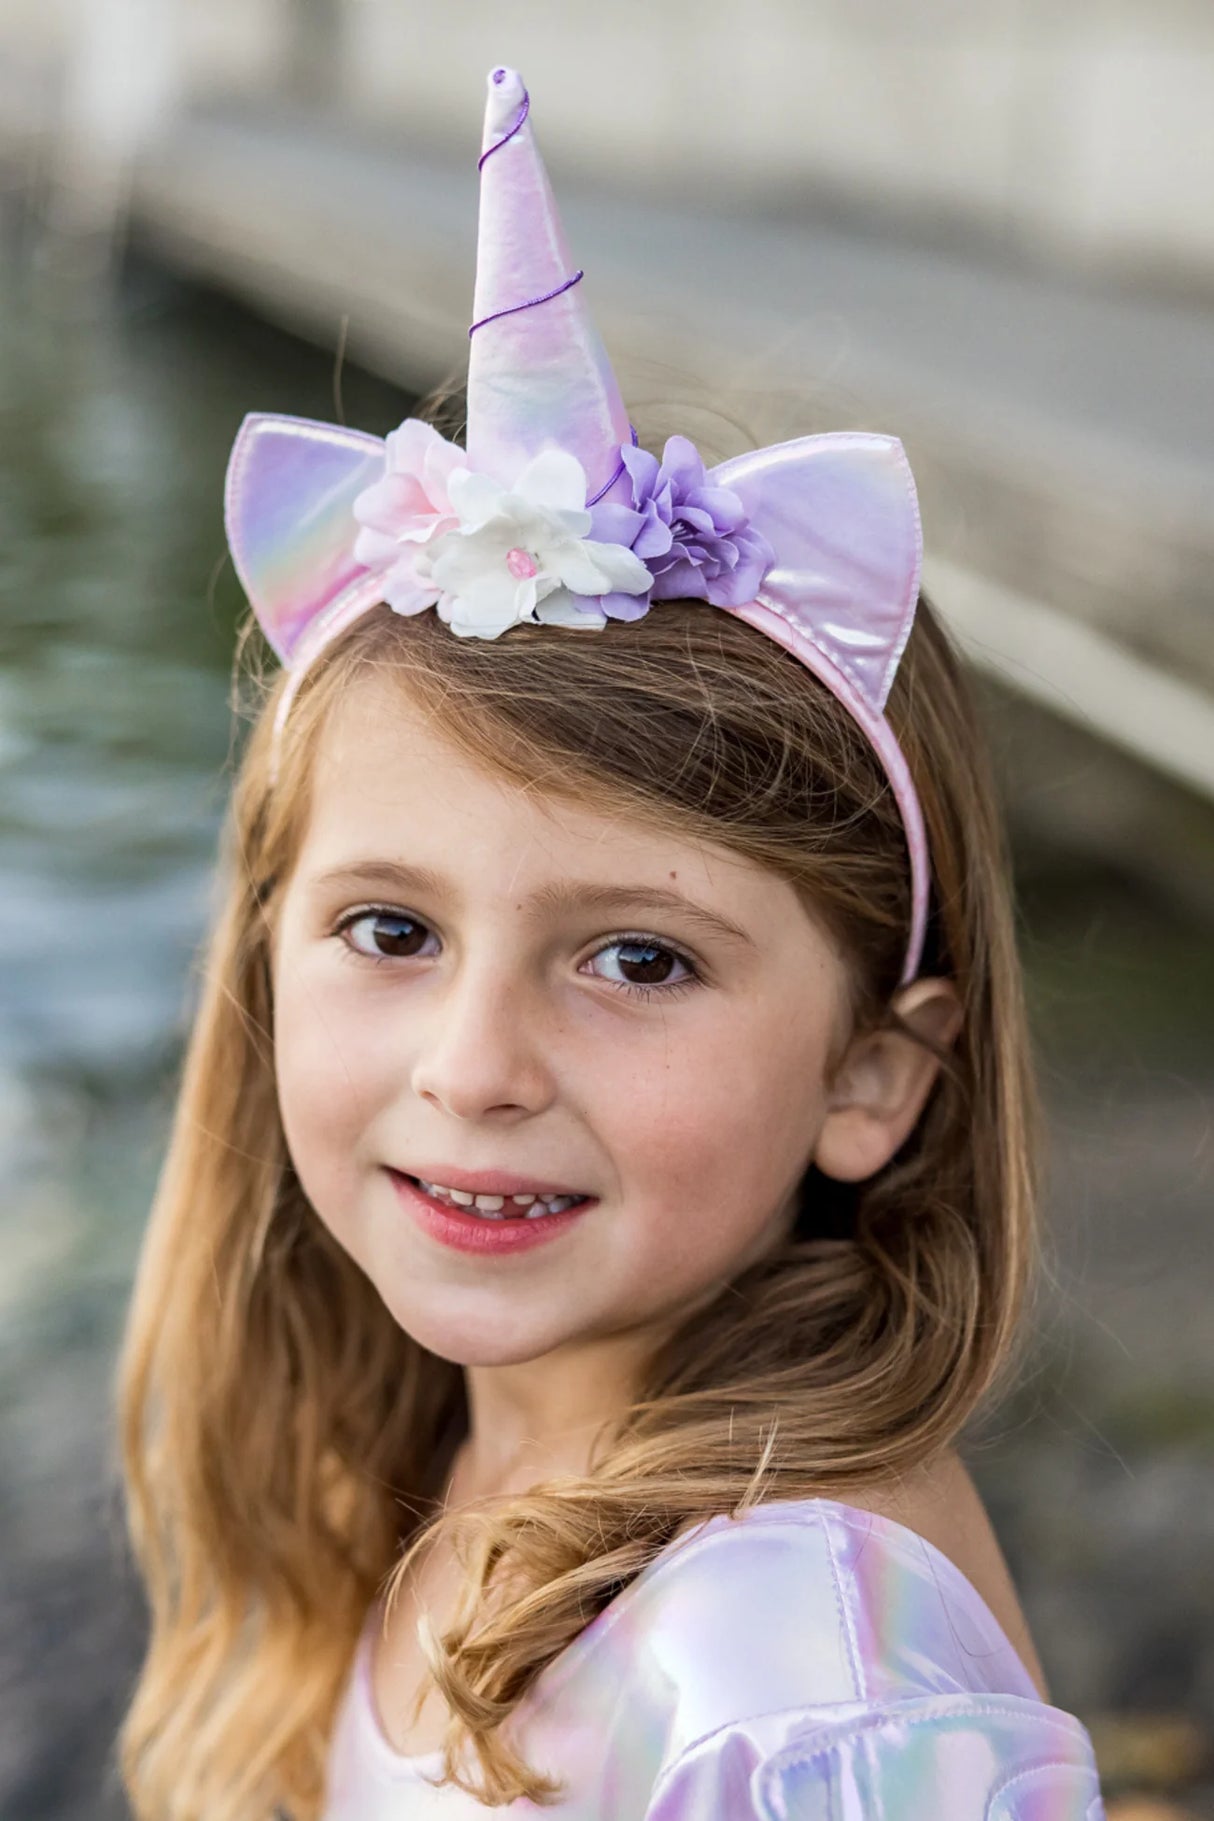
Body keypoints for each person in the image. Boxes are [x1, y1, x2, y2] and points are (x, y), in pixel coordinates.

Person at [115, 63, 1107, 1821]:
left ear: (870, 1073)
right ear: (264, 958)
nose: (475, 1066)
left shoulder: (789, 1678)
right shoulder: (444, 1473)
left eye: (637, 959)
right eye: (390, 927)